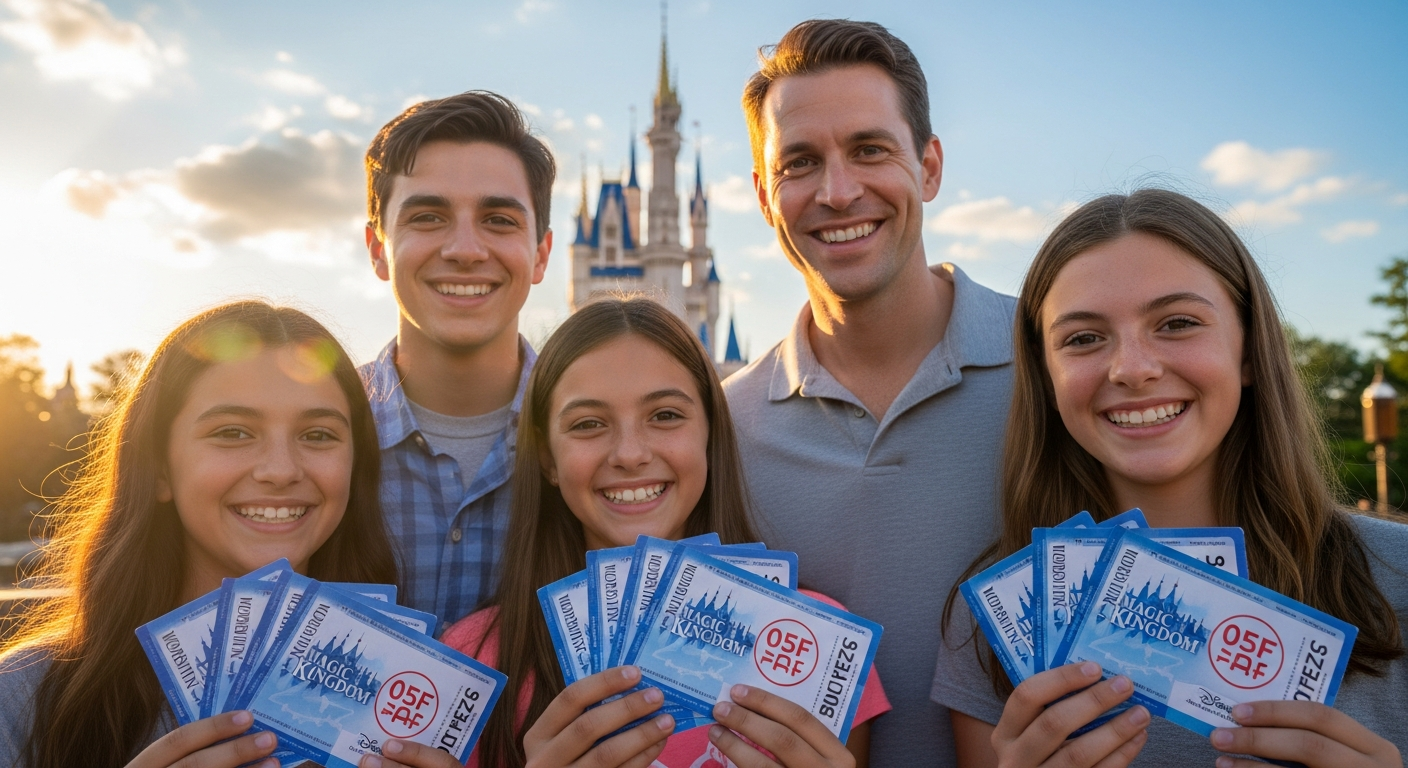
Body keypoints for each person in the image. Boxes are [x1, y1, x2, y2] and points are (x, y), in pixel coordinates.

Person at [932, 189, 1408, 768]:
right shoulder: (992, 618)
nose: (1133, 369)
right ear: (1046, 378)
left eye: (1178, 323)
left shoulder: (1399, 574)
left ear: (1249, 350)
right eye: (1083, 338)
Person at [722, 18, 1016, 764]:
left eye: (870, 150)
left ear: (929, 167)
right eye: (799, 163)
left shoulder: (1058, 371)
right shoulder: (721, 429)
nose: (838, 191)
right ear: (764, 196)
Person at [438, 297, 890, 768]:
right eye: (588, 424)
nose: (630, 454)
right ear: (547, 458)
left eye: (666, 415)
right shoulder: (472, 662)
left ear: (710, 435)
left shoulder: (821, 644)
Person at [0, 301, 401, 768]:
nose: (281, 470)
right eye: (233, 432)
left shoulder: (407, 700)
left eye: (317, 435)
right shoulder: (20, 697)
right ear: (159, 470)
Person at [360, 90, 555, 627]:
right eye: (428, 217)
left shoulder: (602, 447)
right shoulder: (311, 441)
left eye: (499, 220)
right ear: (378, 250)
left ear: (541, 255)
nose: (465, 250)